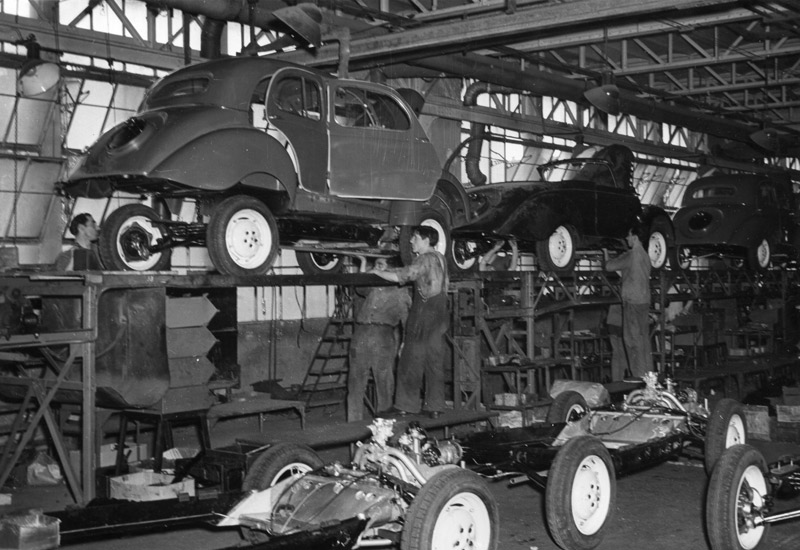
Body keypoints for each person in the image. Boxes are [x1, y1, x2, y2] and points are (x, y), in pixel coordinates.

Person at [371, 226, 449, 419]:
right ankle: (435, 406)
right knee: (434, 360)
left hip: (424, 311)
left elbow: (402, 276)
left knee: (410, 359)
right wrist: (389, 268)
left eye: (415, 238)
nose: (411, 241)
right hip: (440, 312)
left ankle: (405, 405)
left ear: (425, 240)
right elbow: (411, 271)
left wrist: (377, 272)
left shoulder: (424, 258)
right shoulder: (440, 258)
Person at [347, 257, 411, 422]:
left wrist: (404, 343)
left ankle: (384, 427)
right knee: (355, 383)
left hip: (382, 335)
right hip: (361, 334)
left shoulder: (401, 291)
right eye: (375, 265)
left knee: (384, 383)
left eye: (380, 265)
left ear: (392, 269)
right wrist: (362, 263)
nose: (375, 269)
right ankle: (353, 426)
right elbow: (360, 286)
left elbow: (406, 321)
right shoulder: (374, 285)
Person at [604, 227, 652, 380]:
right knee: (644, 341)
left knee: (632, 341)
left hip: (632, 302)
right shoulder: (646, 256)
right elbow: (631, 272)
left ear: (635, 237)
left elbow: (609, 266)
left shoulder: (631, 255)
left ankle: (638, 379)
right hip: (644, 302)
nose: (626, 239)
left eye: (629, 236)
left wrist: (605, 254)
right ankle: (649, 377)